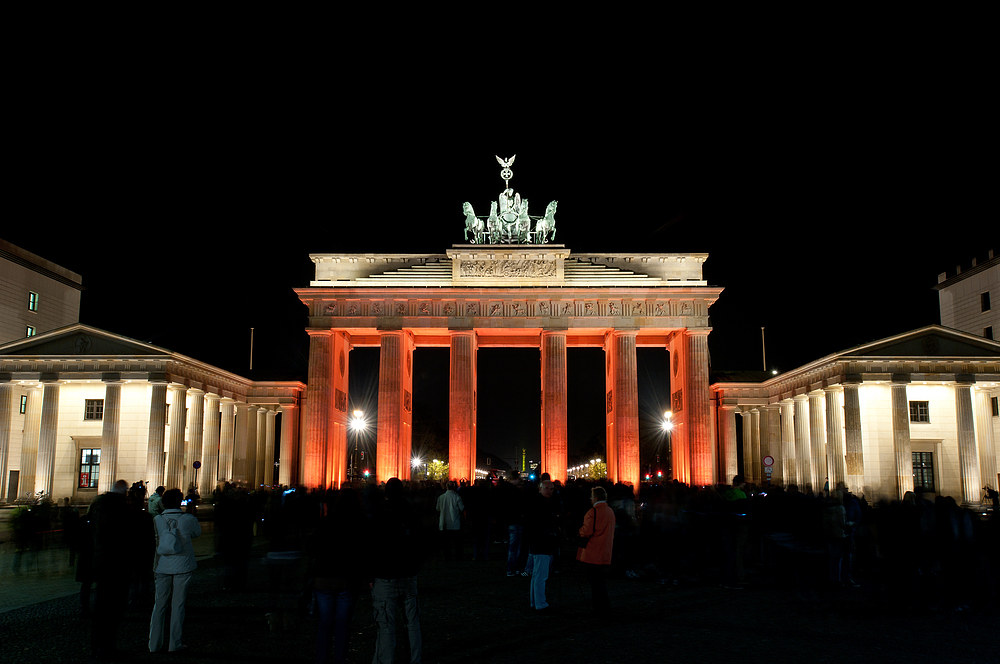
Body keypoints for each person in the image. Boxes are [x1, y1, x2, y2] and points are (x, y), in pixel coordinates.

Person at [311, 488, 370, 664]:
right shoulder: (361, 522)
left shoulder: (326, 521)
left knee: (324, 623)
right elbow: (366, 551)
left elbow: (313, 546)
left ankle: (321, 659)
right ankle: (340, 659)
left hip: (324, 578)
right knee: (343, 624)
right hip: (347, 579)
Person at [371, 478, 423, 664]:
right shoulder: (412, 513)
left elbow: (370, 546)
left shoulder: (378, 514)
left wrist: (370, 574)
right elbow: (421, 544)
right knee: (413, 623)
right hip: (409, 576)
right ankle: (415, 659)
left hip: (385, 576)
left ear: (386, 492)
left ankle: (386, 661)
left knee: (386, 625)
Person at [88, 479, 137, 659]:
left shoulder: (98, 507)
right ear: (124, 492)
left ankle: (97, 646)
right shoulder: (120, 509)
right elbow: (125, 538)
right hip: (117, 565)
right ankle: (106, 646)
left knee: (102, 607)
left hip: (101, 564)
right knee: (113, 608)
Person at [148, 488, 202, 654]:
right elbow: (197, 533)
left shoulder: (157, 519)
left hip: (162, 564)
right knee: (178, 605)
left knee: (159, 605)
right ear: (181, 502)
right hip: (183, 565)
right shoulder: (188, 519)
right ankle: (174, 643)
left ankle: (154, 644)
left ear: (164, 503)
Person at [577, 485, 615, 613]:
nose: (590, 498)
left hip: (592, 551)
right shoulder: (610, 511)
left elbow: (586, 531)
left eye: (591, 496)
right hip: (605, 550)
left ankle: (599, 608)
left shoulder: (593, 512)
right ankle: (604, 607)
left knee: (594, 583)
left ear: (595, 497)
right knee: (600, 582)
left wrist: (579, 531)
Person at [527, 480, 561, 614]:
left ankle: (535, 601)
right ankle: (540, 604)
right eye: (547, 488)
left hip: (539, 543)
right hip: (543, 543)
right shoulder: (542, 505)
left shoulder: (537, 502)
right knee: (541, 575)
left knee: (536, 574)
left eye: (552, 489)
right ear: (540, 489)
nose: (550, 491)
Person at [435, 480, 465, 560]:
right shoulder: (457, 497)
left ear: (446, 487)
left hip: (444, 523)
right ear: (454, 487)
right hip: (455, 523)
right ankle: (458, 556)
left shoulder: (441, 497)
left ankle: (447, 556)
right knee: (457, 543)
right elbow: (462, 508)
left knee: (446, 543)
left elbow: (437, 508)